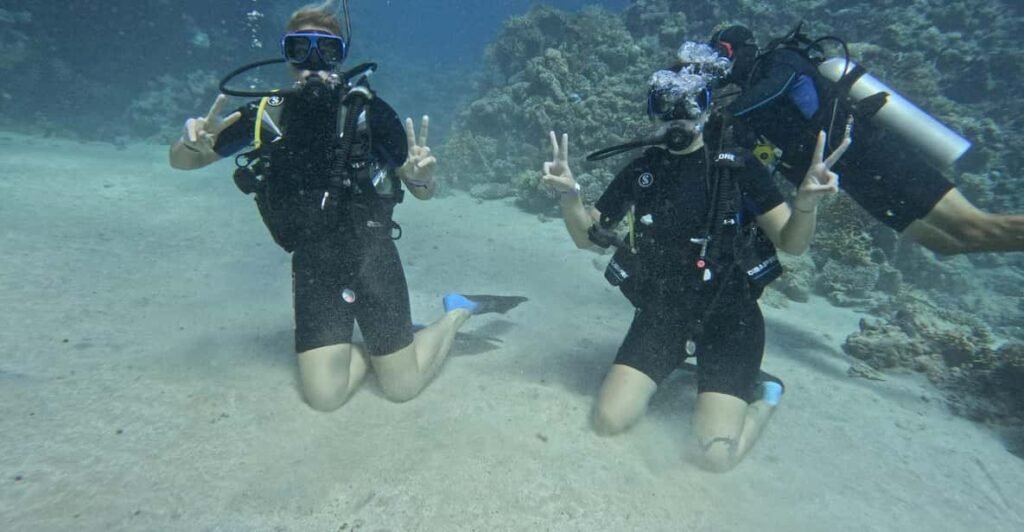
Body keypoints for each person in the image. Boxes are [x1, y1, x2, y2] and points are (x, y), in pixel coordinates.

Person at [169, 1, 523, 411]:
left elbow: (423, 190)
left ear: (340, 58)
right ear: (287, 57)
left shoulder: (369, 114)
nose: (313, 64)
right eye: (300, 49)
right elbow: (184, 162)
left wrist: (421, 176)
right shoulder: (267, 115)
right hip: (314, 263)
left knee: (402, 388)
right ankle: (381, 347)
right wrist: (189, 144)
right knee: (324, 398)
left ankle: (456, 312)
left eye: (326, 51)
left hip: (371, 254)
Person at [541, 43, 850, 471]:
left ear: (707, 109)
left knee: (714, 457)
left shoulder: (737, 168)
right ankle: (680, 366)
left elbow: (791, 242)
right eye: (665, 109)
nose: (677, 120)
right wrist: (570, 197)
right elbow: (586, 236)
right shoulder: (644, 170)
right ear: (653, 113)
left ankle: (767, 396)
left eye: (690, 107)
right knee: (608, 421)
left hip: (731, 319)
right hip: (663, 313)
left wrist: (806, 206)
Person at [709, 24, 1024, 255]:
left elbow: (775, 89)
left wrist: (725, 116)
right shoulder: (749, 104)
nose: (720, 63)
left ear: (742, 49)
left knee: (973, 226)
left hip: (875, 154)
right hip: (853, 178)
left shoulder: (782, 60)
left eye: (723, 53)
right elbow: (766, 154)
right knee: (947, 243)